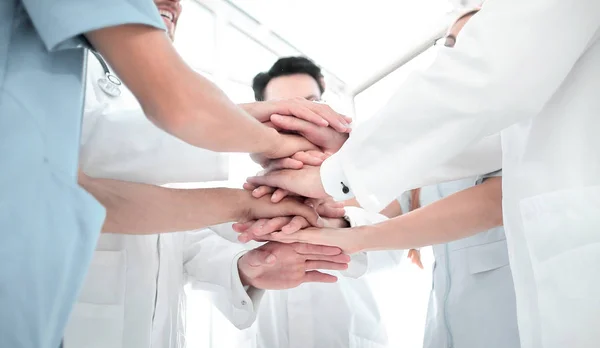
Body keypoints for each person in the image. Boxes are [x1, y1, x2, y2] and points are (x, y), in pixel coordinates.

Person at [246, 1, 600, 347]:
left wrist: (336, 180)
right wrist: (326, 213)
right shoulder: (409, 163)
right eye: (450, 49)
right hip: (449, 323)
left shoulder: (500, 122)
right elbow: (365, 209)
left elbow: (490, 175)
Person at [0, 1, 351, 347]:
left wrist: (243, 265)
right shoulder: (56, 68)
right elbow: (75, 168)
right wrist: (268, 142)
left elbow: (174, 235)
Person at [225, 57, 403, 348]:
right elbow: (218, 271)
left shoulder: (360, 178)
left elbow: (395, 245)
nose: (302, 117)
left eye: (311, 103)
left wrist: (335, 224)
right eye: (285, 109)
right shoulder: (244, 195)